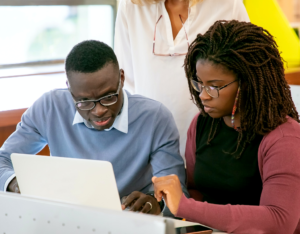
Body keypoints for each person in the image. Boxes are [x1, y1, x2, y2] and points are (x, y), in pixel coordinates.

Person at [0, 40, 187, 216]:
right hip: (64, 219)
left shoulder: (155, 118)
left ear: (121, 79)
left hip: (131, 224)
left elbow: (177, 194)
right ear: (69, 90)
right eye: (84, 102)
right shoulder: (49, 108)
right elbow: (2, 161)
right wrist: (16, 184)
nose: (99, 111)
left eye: (108, 97)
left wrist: (157, 205)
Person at [152, 20, 300, 233]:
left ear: (247, 83)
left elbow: (278, 220)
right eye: (199, 83)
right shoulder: (202, 125)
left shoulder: (285, 139)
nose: (203, 95)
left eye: (214, 86)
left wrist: (186, 207)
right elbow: (195, 189)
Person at [114, 0, 250, 156]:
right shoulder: (130, 7)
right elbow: (127, 88)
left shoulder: (228, 5)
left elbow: (248, 77)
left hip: (217, 147)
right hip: (152, 147)